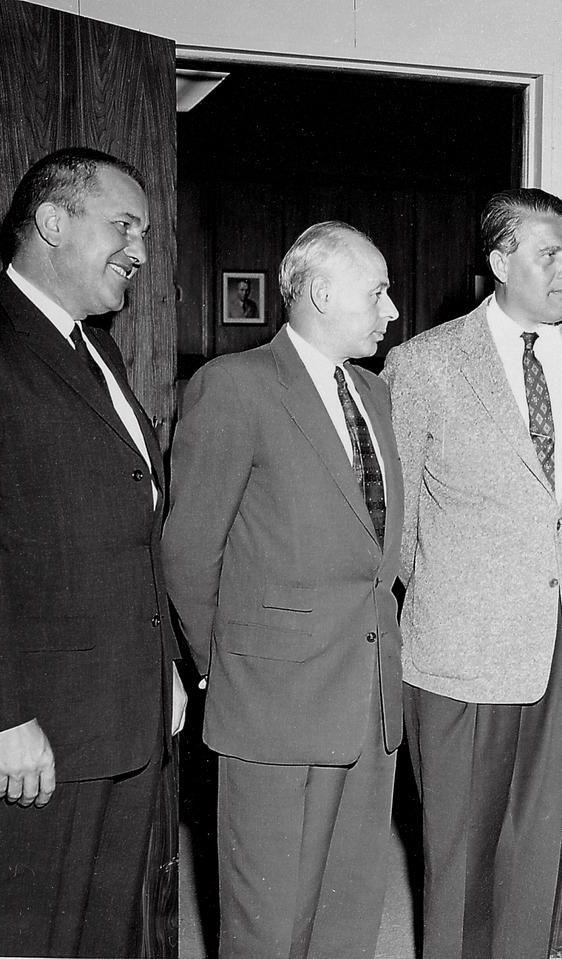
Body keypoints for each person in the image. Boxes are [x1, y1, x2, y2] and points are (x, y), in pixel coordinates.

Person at [0, 146, 185, 957]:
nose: (142, 252)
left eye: (145, 233)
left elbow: (126, 527)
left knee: (101, 941)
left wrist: (162, 668)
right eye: (124, 226)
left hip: (120, 724)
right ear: (52, 222)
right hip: (24, 738)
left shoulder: (101, 351)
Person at [382, 188, 562, 959]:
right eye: (549, 252)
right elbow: (397, 523)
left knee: (537, 846)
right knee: (459, 858)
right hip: (460, 649)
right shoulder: (422, 363)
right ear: (499, 261)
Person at [163, 221, 403, 959]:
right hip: (271, 701)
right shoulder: (234, 386)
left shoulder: (373, 392)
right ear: (323, 293)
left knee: (349, 906)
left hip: (367, 696)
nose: (392, 310)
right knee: (269, 919)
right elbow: (188, 548)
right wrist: (228, 668)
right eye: (379, 292)